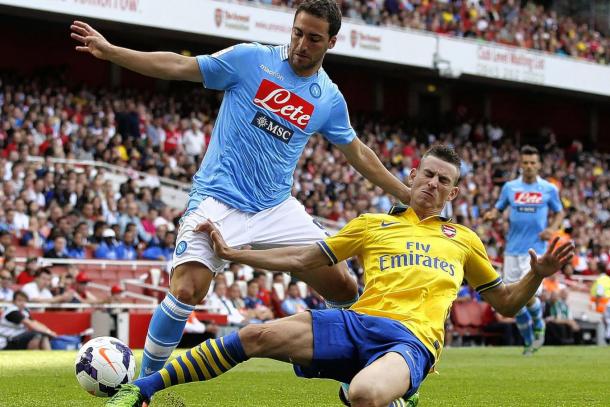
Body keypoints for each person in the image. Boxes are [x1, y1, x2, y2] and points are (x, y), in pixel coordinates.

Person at [71, 0, 412, 377]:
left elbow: (359, 153)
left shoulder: (328, 97)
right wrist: (111, 52)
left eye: (314, 39)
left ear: (331, 42)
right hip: (219, 199)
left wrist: (407, 196)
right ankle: (143, 387)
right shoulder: (250, 59)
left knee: (345, 288)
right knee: (186, 290)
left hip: (276, 209)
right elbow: (179, 66)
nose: (301, 44)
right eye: (298, 33)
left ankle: (346, 368)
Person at [105, 145, 574, 407]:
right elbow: (304, 259)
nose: (432, 184)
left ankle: (378, 391)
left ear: (453, 192)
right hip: (356, 322)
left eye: (443, 180)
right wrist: (235, 253)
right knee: (254, 335)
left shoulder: (465, 239)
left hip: (411, 340)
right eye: (427, 175)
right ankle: (140, 391)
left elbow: (508, 303)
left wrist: (537, 275)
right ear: (411, 176)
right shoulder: (372, 226)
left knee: (365, 395)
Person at [483, 145, 564, 355]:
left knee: (528, 297)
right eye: (525, 163)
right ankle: (528, 340)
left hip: (536, 251)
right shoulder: (510, 187)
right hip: (512, 250)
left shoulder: (548, 189)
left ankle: (538, 322)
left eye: (532, 163)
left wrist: (552, 229)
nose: (528, 166)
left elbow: (559, 213)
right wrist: (492, 214)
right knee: (512, 299)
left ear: (538, 165)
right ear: (521, 164)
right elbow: (498, 208)